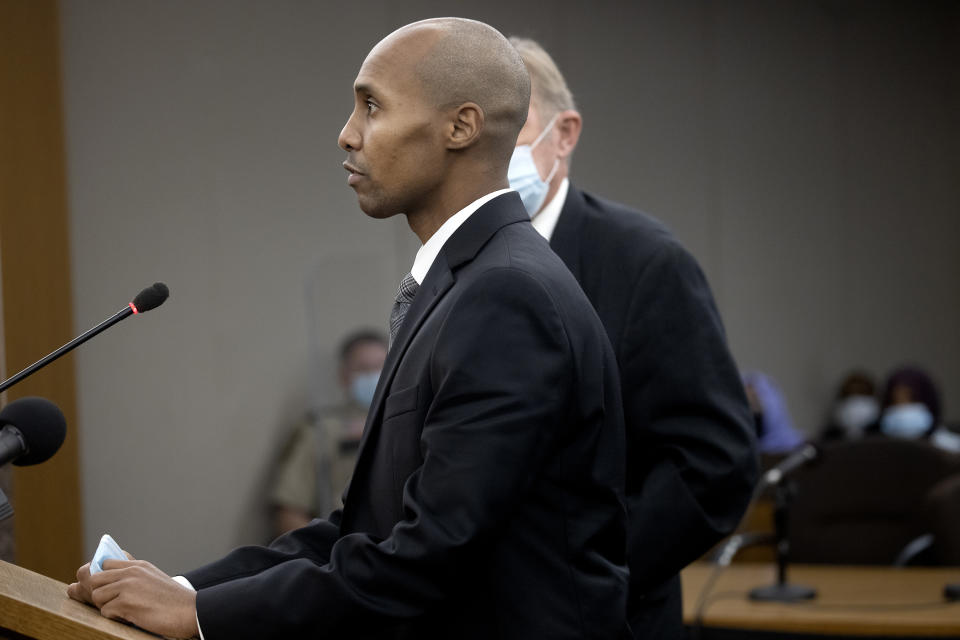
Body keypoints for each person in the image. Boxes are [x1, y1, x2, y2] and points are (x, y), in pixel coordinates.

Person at [69, 18, 630, 639]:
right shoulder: (464, 283)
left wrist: (199, 617)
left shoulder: (506, 294)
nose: (347, 134)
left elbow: (427, 557)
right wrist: (185, 590)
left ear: (460, 127)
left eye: (372, 106)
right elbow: (364, 529)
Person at [508, 37, 758, 639]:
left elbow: (714, 464)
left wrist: (590, 571)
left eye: (508, 126)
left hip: (606, 617)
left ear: (563, 135)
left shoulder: (643, 262)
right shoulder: (450, 267)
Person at [270, 329, 387, 535]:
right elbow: (289, 511)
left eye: (380, 367)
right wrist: (330, 558)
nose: (373, 376)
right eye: (363, 368)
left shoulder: (416, 421)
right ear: (343, 376)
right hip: (346, 550)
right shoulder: (322, 430)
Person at [878, 365, 960, 453]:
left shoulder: (952, 449)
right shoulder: (873, 450)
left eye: (911, 399)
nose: (903, 407)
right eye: (895, 400)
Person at [819, 370, 880, 442]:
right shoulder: (829, 437)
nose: (856, 402)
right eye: (851, 395)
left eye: (861, 394)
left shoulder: (881, 434)